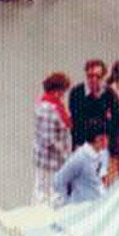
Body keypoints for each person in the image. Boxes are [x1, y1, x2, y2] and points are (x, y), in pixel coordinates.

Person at [32, 73, 73, 203]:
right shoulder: (48, 108)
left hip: (50, 159)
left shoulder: (53, 104)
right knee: (46, 193)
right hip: (50, 161)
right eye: (63, 91)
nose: (63, 94)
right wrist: (65, 154)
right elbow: (49, 139)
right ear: (57, 90)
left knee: (45, 191)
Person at [68, 59, 119, 147]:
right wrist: (103, 121)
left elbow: (115, 120)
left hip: (102, 144)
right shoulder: (76, 92)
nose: (94, 79)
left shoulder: (109, 93)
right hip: (81, 144)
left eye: (98, 76)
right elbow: (77, 122)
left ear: (103, 77)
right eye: (90, 76)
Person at [53, 131, 108, 203]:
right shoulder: (80, 157)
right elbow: (58, 181)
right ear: (96, 139)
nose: (106, 142)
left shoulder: (103, 154)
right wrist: (67, 202)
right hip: (81, 207)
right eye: (102, 139)